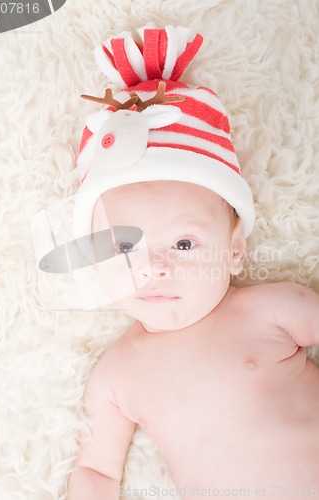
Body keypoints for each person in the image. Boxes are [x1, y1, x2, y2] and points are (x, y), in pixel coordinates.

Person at [67, 25, 319, 499]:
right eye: (124, 247)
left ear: (235, 250)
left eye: (184, 244)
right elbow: (96, 473)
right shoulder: (117, 373)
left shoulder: (273, 309)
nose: (155, 267)